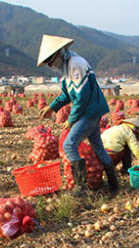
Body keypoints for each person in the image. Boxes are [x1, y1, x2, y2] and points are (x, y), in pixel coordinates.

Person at [37, 34, 118, 196]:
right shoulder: (67, 67)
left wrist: (71, 119)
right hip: (91, 111)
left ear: (58, 54)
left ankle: (80, 188)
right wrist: (52, 107)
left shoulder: (75, 64)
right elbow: (67, 94)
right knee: (98, 148)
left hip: (89, 111)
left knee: (69, 145)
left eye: (50, 62)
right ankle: (114, 186)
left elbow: (82, 96)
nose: (51, 66)